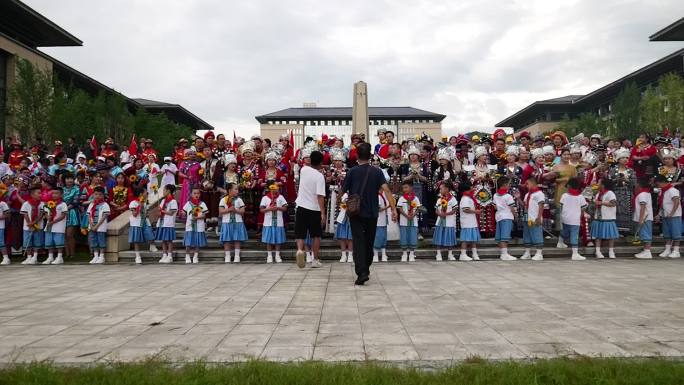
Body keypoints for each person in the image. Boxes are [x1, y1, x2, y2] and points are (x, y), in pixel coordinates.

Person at [342, 142, 396, 285]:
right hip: (372, 213)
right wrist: (394, 209)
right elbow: (387, 190)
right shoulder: (377, 172)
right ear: (370, 155)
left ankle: (362, 272)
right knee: (369, 241)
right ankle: (366, 267)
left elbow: (342, 190)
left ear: (357, 156)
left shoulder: (352, 172)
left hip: (356, 212)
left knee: (358, 241)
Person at [294, 150, 327, 269]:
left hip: (301, 206)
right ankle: (315, 259)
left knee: (300, 233)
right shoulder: (319, 176)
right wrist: (323, 213)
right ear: (321, 162)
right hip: (314, 208)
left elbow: (301, 163)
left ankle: (299, 250)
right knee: (316, 235)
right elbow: (320, 196)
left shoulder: (303, 170)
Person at [557, 177, 588, 260]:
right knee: (574, 235)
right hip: (575, 219)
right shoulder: (580, 197)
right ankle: (575, 254)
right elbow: (583, 208)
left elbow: (560, 206)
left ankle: (560, 243)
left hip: (565, 217)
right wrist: (580, 216)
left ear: (569, 186)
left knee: (564, 231)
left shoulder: (564, 195)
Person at [219, 183, 247, 263]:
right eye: (235, 189)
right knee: (227, 240)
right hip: (226, 222)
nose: (237, 191)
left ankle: (237, 256)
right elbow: (221, 212)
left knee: (237, 239)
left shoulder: (239, 200)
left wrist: (235, 210)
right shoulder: (223, 200)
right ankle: (227, 256)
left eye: (237, 189)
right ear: (230, 190)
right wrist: (228, 210)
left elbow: (242, 212)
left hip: (237, 222)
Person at [655, 175, 682, 259]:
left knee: (676, 233)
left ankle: (676, 251)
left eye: (658, 184)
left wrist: (672, 213)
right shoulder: (662, 191)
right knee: (667, 234)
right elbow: (662, 204)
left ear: (662, 182)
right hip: (665, 215)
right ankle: (667, 249)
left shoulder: (673, 190)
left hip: (674, 215)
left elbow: (676, 202)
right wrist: (659, 214)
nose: (657, 186)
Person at [591, 178, 619, 259]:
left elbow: (613, 203)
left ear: (603, 184)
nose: (597, 184)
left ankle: (611, 251)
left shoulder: (610, 193)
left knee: (611, 236)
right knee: (598, 236)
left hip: (608, 217)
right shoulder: (598, 193)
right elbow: (595, 203)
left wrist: (601, 203)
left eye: (599, 183)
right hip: (599, 217)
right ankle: (598, 251)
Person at [260, 182, 288, 263]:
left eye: (275, 188)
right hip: (268, 222)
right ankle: (269, 255)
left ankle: (277, 255)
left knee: (278, 239)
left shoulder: (281, 197)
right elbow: (261, 210)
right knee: (269, 240)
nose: (274, 190)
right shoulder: (265, 198)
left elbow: (285, 208)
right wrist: (269, 209)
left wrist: (278, 208)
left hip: (278, 222)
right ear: (269, 188)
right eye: (272, 188)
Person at [128, 187, 155, 264]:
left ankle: (152, 245)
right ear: (141, 194)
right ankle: (137, 256)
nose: (147, 193)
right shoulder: (133, 203)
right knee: (136, 240)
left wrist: (146, 212)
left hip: (145, 221)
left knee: (150, 232)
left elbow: (147, 213)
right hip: (136, 223)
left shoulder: (146, 202)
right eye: (146, 192)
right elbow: (135, 214)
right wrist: (140, 206)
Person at [521, 177, 545, 261]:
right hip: (527, 218)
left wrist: (539, 217)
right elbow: (524, 205)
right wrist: (517, 198)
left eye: (527, 184)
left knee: (537, 234)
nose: (526, 185)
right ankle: (527, 253)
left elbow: (541, 206)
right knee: (527, 235)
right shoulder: (527, 194)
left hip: (535, 218)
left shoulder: (539, 194)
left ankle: (539, 253)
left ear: (533, 183)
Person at [432, 181, 458, 261]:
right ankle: (438, 254)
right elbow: (436, 209)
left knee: (449, 238)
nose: (440, 190)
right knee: (439, 237)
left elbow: (454, 210)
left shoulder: (453, 199)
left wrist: (446, 214)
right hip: (440, 222)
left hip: (449, 222)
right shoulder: (439, 199)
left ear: (447, 189)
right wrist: (439, 214)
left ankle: (450, 254)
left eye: (441, 189)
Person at [182, 186, 208, 264]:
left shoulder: (202, 204)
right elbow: (183, 212)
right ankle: (187, 255)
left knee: (197, 242)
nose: (196, 195)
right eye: (194, 193)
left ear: (200, 194)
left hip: (199, 225)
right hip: (190, 225)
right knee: (188, 242)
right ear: (191, 194)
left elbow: (204, 215)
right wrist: (183, 214)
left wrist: (197, 217)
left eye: (198, 193)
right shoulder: (188, 203)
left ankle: (195, 256)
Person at [493, 176, 517, 261]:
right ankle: (505, 254)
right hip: (507, 216)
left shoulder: (495, 195)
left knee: (500, 237)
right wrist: (515, 216)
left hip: (499, 217)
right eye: (509, 184)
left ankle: (503, 253)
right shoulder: (508, 196)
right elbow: (512, 208)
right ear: (505, 184)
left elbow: (495, 207)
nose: (510, 185)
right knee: (504, 237)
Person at [42, 187, 68, 265]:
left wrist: (53, 221)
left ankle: (60, 257)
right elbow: (46, 212)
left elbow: (63, 215)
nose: (54, 195)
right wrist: (47, 217)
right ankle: (50, 257)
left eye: (56, 193)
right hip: (49, 226)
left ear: (61, 195)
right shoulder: (49, 203)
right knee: (49, 242)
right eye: (53, 193)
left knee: (58, 242)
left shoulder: (63, 204)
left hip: (58, 226)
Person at [86, 186, 110, 264]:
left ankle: (102, 256)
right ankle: (95, 256)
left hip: (100, 227)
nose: (98, 196)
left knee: (101, 241)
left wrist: (97, 226)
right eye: (96, 194)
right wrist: (91, 224)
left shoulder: (105, 205)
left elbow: (104, 216)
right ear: (93, 195)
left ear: (103, 195)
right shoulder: (91, 204)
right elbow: (89, 215)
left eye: (100, 194)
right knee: (93, 240)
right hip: (92, 226)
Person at [20, 185, 44, 265]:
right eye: (38, 193)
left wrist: (34, 223)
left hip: (38, 226)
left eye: (41, 193)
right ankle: (29, 257)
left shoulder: (42, 204)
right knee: (27, 241)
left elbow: (41, 215)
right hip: (27, 227)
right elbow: (25, 214)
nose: (40, 194)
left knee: (37, 241)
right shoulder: (26, 204)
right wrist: (30, 224)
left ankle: (35, 257)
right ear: (32, 194)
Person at [397, 181, 420, 262]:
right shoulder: (401, 198)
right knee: (404, 236)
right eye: (403, 188)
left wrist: (413, 215)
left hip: (413, 221)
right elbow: (400, 209)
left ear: (411, 188)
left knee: (413, 236)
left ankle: (411, 253)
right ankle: (404, 253)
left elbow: (418, 209)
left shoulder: (416, 198)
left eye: (406, 187)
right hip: (404, 221)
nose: (404, 189)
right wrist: (406, 216)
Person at [458, 180, 480, 261]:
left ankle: (474, 253)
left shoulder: (469, 198)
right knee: (465, 239)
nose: (472, 187)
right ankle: (463, 254)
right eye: (471, 186)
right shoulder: (465, 199)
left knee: (473, 239)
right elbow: (465, 209)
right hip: (467, 222)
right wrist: (475, 211)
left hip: (472, 221)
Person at [156, 184, 178, 263]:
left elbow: (171, 212)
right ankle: (164, 255)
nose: (163, 192)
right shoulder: (163, 201)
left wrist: (162, 211)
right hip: (162, 222)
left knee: (169, 240)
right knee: (163, 240)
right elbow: (160, 213)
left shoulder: (173, 201)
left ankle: (170, 256)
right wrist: (159, 211)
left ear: (168, 191)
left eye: (164, 190)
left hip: (169, 223)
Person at [634, 178, 654, 259]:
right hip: (645, 218)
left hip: (645, 218)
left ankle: (647, 251)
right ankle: (646, 250)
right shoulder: (646, 193)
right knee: (644, 234)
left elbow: (643, 206)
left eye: (636, 183)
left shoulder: (642, 194)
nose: (635, 185)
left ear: (639, 185)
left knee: (646, 235)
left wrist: (641, 219)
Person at [372, 190, 391, 262]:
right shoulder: (377, 196)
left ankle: (384, 254)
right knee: (377, 238)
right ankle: (375, 255)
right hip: (378, 221)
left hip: (383, 220)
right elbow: (378, 209)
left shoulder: (383, 196)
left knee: (383, 238)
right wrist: (388, 206)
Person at [334, 192, 353, 263]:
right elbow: (341, 205)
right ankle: (343, 255)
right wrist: (348, 207)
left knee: (351, 238)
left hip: (352, 218)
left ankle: (350, 255)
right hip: (343, 218)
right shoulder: (344, 194)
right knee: (342, 237)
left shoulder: (356, 193)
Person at [0, 193, 9, 265]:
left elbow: (8, 214)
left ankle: (6, 258)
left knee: (1, 242)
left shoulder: (2, 203)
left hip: (0, 226)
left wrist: (0, 217)